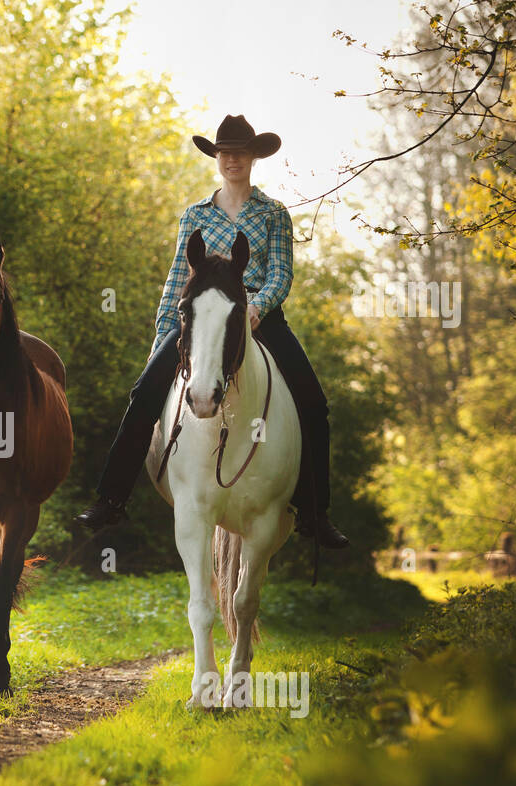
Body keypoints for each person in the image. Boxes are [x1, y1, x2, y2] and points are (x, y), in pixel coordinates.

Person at [76, 114, 349, 549]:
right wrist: (162, 339)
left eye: (240, 152)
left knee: (313, 403)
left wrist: (255, 308)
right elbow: (175, 282)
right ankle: (111, 498)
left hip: (258, 316)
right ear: (217, 158)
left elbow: (281, 273)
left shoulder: (274, 213)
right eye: (225, 152)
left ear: (254, 158)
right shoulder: (194, 216)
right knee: (144, 393)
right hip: (199, 317)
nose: (232, 159)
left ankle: (315, 513)